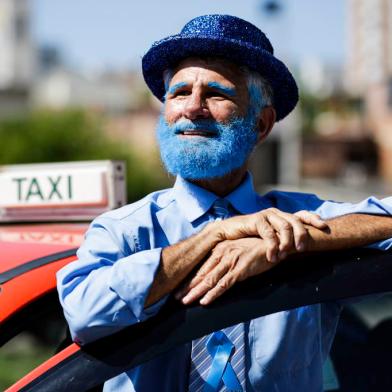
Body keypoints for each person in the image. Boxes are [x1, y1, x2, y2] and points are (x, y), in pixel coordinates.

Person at [57, 14, 392, 392]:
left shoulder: (295, 219)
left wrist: (294, 243)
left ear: (261, 124)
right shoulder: (124, 230)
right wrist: (215, 236)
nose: (192, 107)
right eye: (179, 93)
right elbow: (83, 313)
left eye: (217, 93)